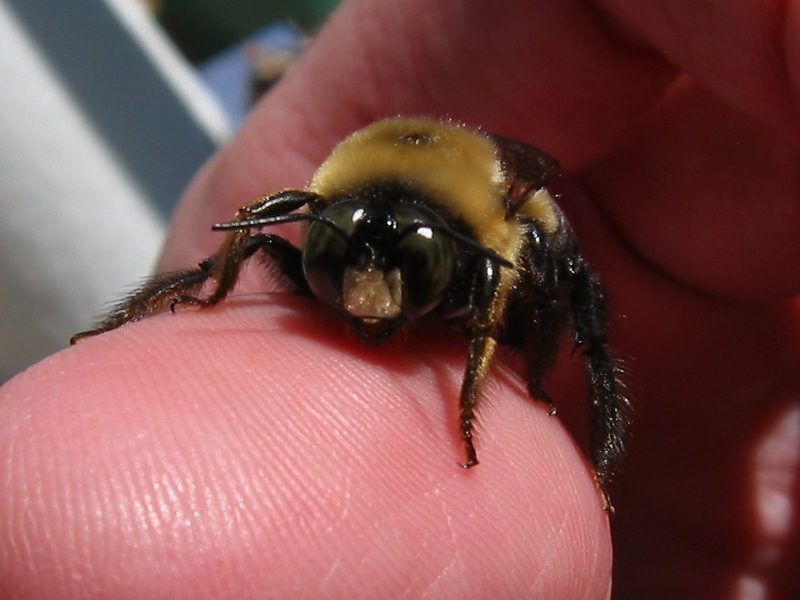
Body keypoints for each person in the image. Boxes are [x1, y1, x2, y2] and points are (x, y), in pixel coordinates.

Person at [1, 1, 798, 597]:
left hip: (487, 256)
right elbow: (259, 227)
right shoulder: (329, 202)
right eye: (338, 257)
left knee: (564, 262)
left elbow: (516, 248)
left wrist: (478, 387)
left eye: (396, 272)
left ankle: (592, 441)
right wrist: (208, 285)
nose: (366, 292)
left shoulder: (481, 233)